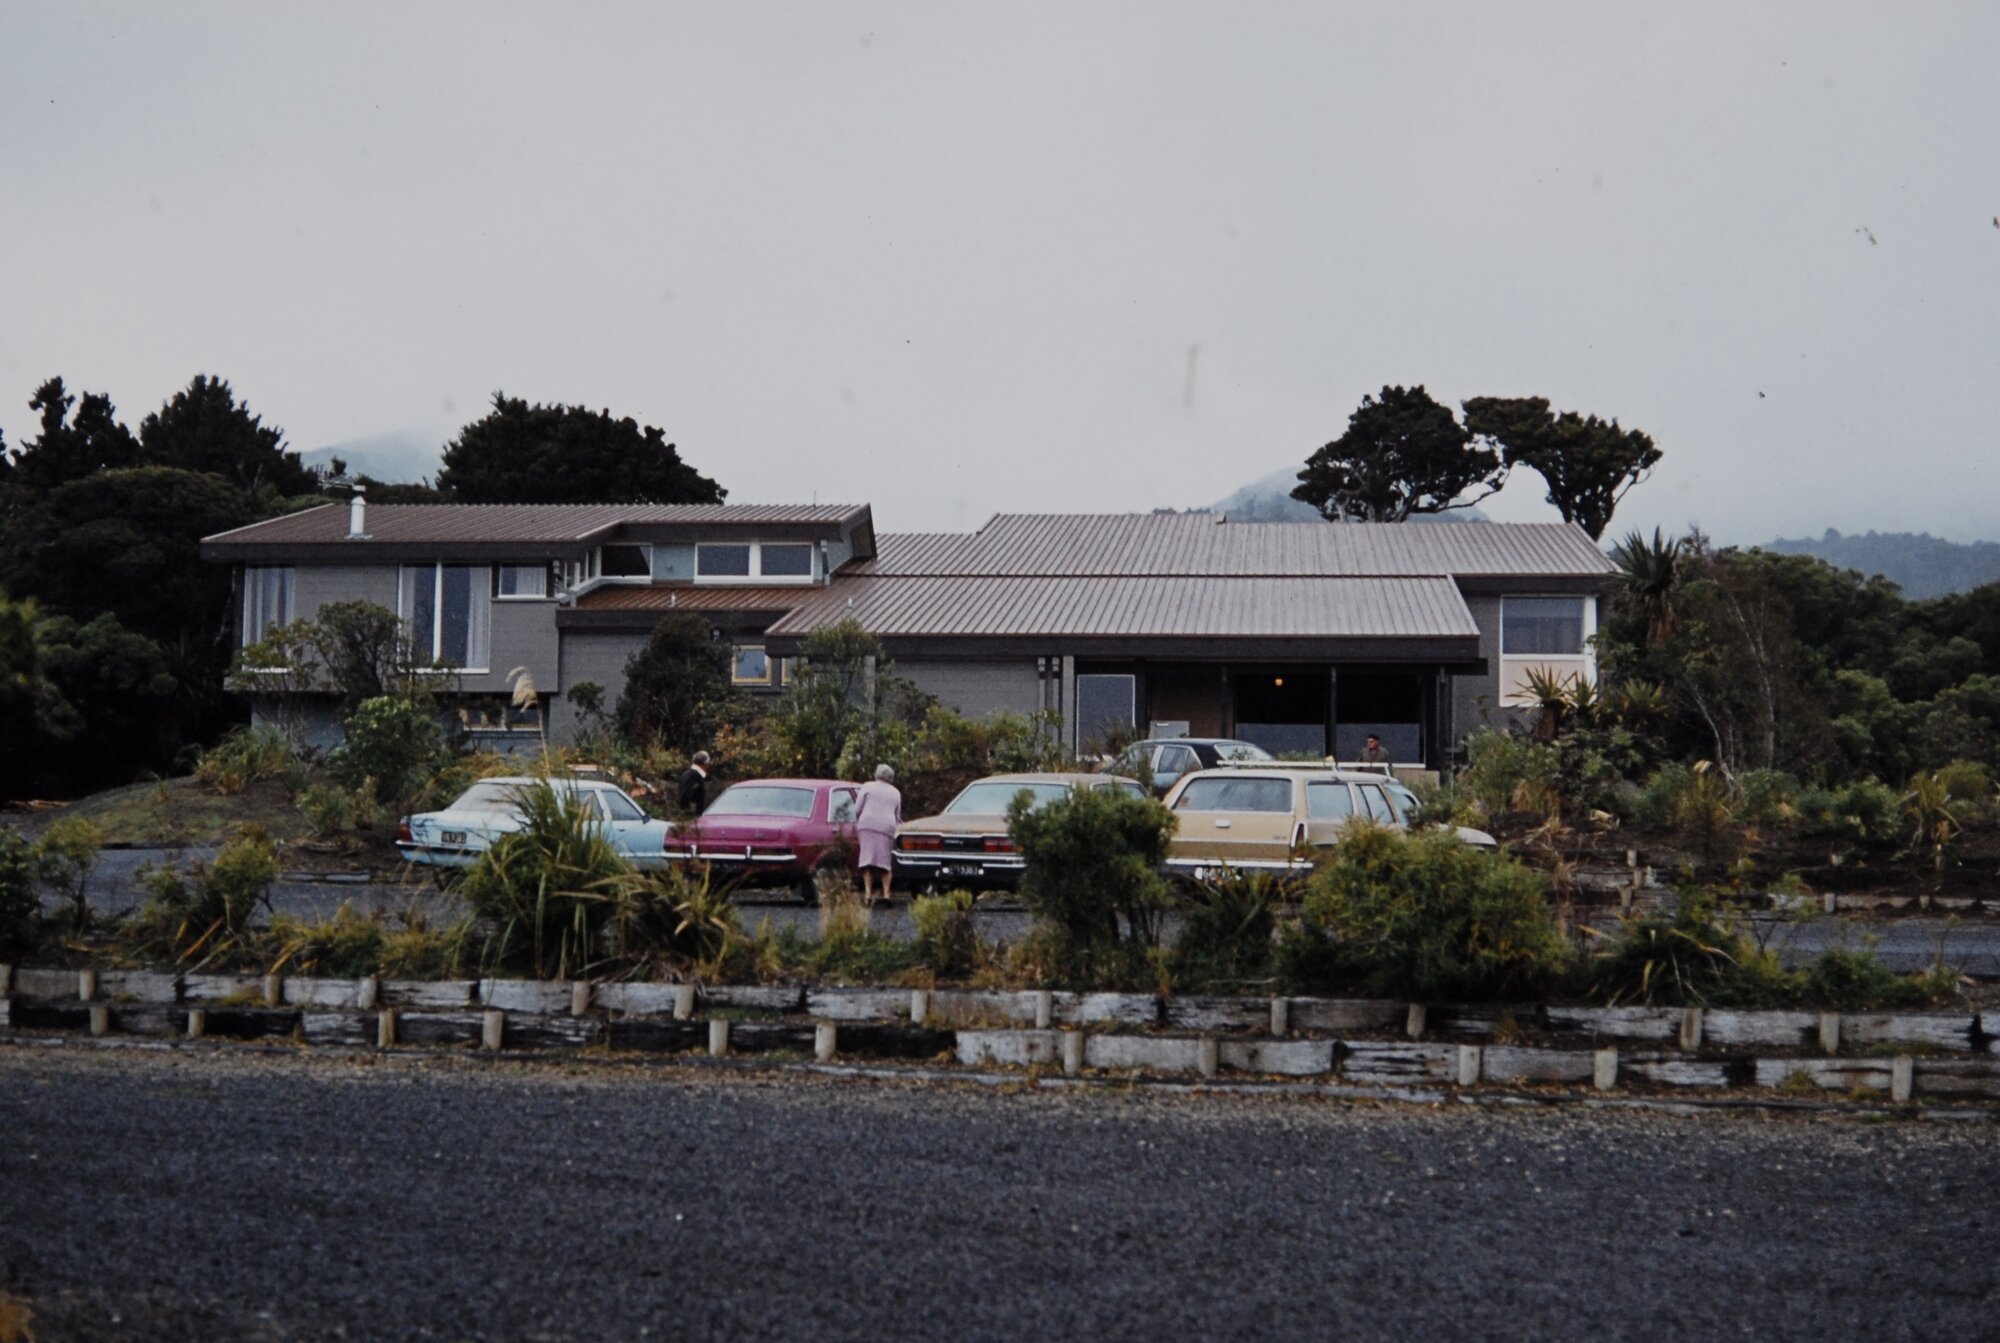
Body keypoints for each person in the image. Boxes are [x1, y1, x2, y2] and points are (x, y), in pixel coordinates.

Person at [852, 763, 903, 905]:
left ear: (877, 774)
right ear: (890, 777)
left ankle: (868, 895)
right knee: (885, 863)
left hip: (867, 825)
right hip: (887, 827)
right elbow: (897, 815)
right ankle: (886, 894)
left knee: (867, 861)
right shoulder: (896, 792)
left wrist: (860, 820)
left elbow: (857, 808)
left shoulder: (867, 786)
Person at [676, 750, 712, 814]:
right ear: (705, 764)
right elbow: (685, 795)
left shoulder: (688, 773)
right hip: (691, 816)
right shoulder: (693, 775)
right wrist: (690, 811)